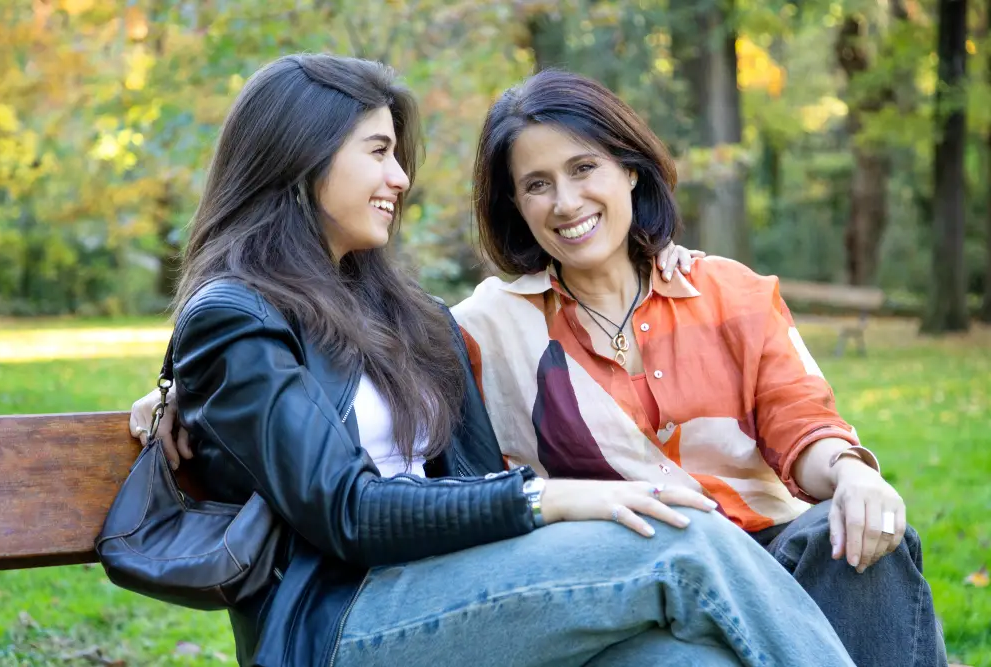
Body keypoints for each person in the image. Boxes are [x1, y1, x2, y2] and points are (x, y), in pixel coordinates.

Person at [127, 53, 858, 667]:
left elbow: (470, 477)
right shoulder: (234, 315)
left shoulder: (401, 312)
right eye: (378, 152)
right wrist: (551, 498)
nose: (400, 179)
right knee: (685, 539)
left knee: (691, 659)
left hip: (468, 587)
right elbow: (345, 510)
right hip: (345, 620)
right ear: (300, 155)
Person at [449, 69, 947, 667]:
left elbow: (802, 424)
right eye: (537, 184)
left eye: (584, 168)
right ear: (517, 205)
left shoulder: (730, 294)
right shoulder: (489, 329)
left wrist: (852, 475)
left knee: (858, 543)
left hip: (768, 549)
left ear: (629, 169)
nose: (566, 201)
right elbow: (476, 492)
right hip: (635, 573)